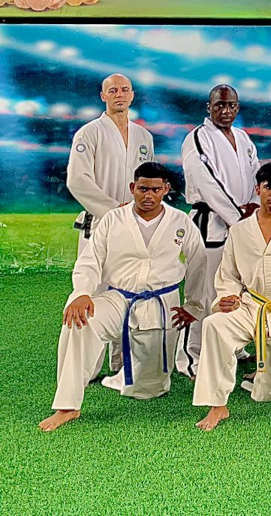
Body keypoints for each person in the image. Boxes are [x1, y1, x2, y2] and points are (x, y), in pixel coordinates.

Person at [39, 162, 205, 432]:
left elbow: (199, 263)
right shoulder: (112, 220)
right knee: (80, 320)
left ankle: (131, 376)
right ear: (132, 188)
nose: (148, 195)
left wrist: (193, 305)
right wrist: (82, 292)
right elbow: (90, 260)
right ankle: (67, 406)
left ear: (166, 189)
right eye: (142, 189)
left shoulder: (180, 222)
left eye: (155, 189)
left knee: (148, 389)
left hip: (162, 303)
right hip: (118, 297)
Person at [193, 162, 271, 431]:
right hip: (252, 307)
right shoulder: (240, 230)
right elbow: (228, 274)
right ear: (257, 189)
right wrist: (228, 297)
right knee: (215, 325)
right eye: (267, 187)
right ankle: (217, 405)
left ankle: (265, 380)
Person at [66, 73, 156, 381]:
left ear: (132, 95)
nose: (119, 94)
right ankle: (85, 369)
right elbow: (78, 180)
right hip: (100, 224)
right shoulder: (89, 133)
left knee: (129, 293)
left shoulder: (144, 137)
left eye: (124, 90)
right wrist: (113, 209)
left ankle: (122, 363)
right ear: (103, 96)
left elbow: (150, 181)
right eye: (113, 90)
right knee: (91, 291)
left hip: (135, 227)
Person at [179, 84, 260, 378]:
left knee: (235, 288)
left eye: (231, 105)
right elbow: (206, 182)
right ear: (209, 107)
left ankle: (232, 346)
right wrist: (237, 216)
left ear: (237, 107)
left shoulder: (243, 138)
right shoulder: (198, 137)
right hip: (210, 223)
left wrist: (254, 207)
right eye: (219, 105)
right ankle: (191, 356)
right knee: (204, 291)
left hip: (241, 222)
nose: (225, 111)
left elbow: (256, 176)